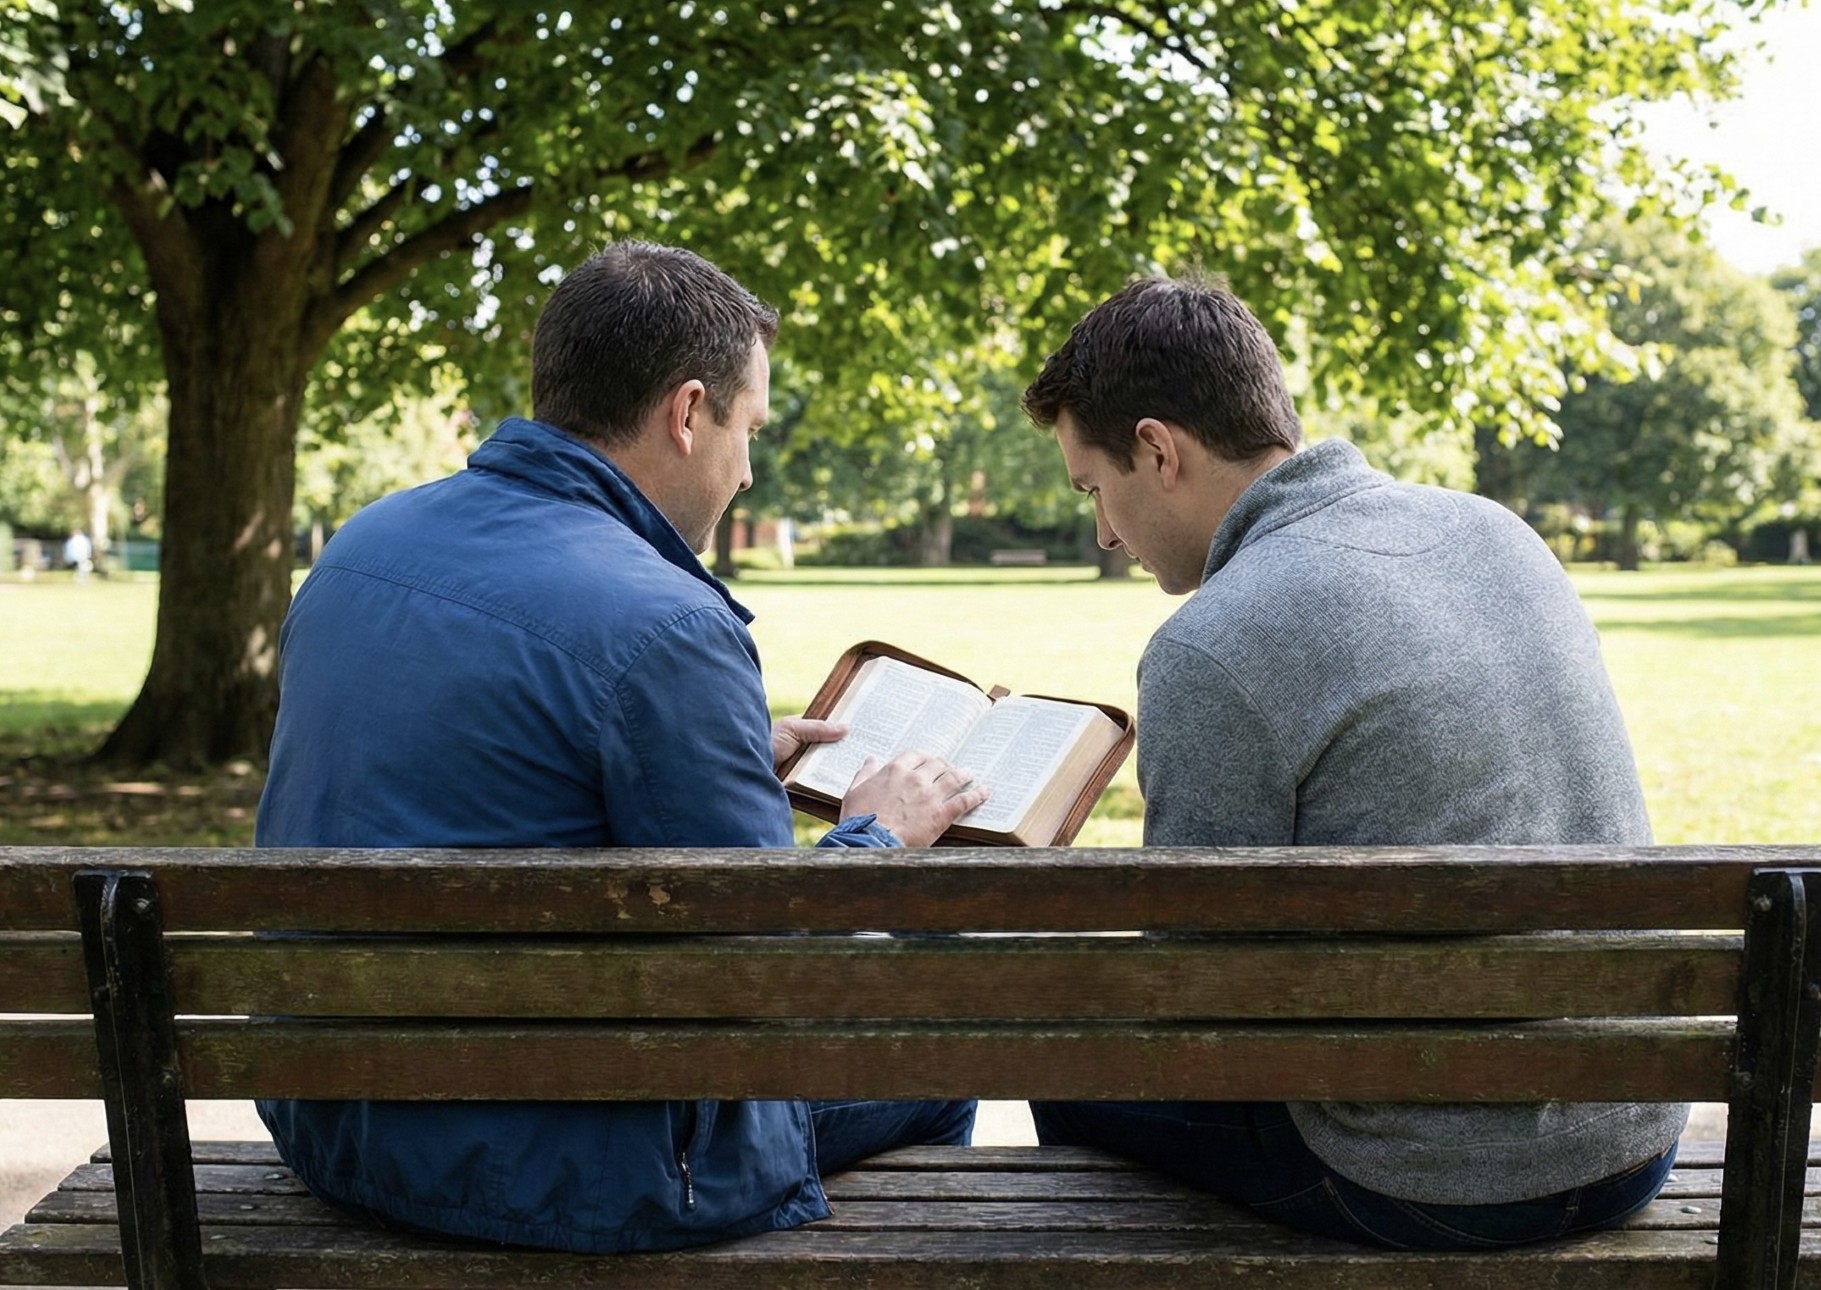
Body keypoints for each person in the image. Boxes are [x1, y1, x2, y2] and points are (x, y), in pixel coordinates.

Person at [254, 241, 988, 1254]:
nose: (745, 469)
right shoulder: (669, 623)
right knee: (941, 1023)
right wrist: (877, 841)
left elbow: (482, 780)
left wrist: (723, 753)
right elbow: (758, 973)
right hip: (554, 1169)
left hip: (332, 1120)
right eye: (750, 430)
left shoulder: (359, 550)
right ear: (688, 415)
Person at [1020, 274, 1686, 1251]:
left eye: (1095, 489)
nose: (1104, 533)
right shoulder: (1495, 531)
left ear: (1158, 450)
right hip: (1631, 1133)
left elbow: (1192, 1000)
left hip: (1429, 1177)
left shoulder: (1211, 643)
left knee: (1059, 1062)